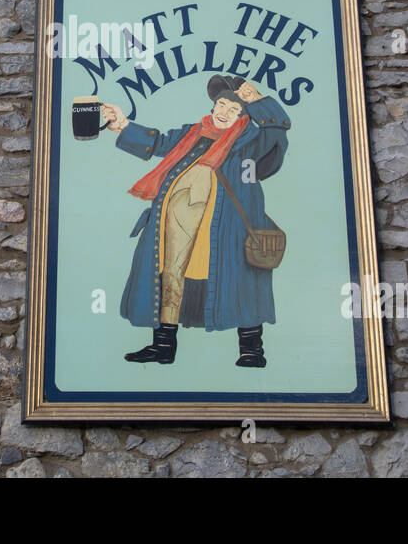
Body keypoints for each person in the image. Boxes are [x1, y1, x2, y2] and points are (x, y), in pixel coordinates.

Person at [99, 74, 290, 368]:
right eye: (221, 104)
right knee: (169, 274)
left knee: (243, 282)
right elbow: (160, 143)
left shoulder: (253, 140)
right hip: (177, 220)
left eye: (234, 109)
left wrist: (258, 100)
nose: (223, 112)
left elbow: (277, 131)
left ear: (244, 115)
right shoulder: (193, 133)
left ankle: (252, 350)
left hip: (229, 226)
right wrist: (122, 124)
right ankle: (163, 346)